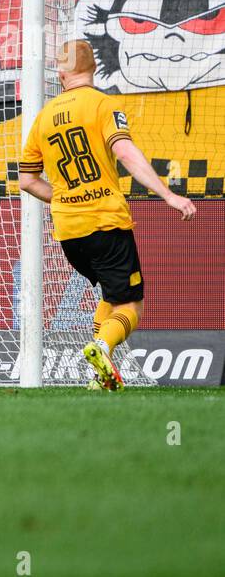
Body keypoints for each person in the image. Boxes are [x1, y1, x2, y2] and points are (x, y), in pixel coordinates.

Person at [18, 41, 196, 391]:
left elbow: (26, 179)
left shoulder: (44, 117)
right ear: (95, 69)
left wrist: (66, 197)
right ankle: (101, 346)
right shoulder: (103, 105)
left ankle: (100, 376)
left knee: (110, 297)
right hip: (105, 222)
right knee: (131, 304)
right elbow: (126, 153)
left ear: (61, 73)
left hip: (69, 233)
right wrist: (168, 195)